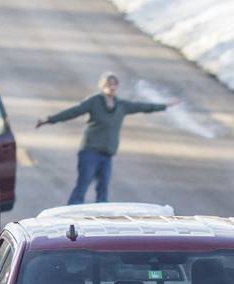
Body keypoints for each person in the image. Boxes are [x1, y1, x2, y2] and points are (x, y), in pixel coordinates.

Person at [35, 72, 179, 204]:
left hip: (107, 154)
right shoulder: (94, 102)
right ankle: (70, 216)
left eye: (114, 84)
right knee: (83, 184)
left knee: (103, 188)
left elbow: (143, 107)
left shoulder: (121, 105)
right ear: (102, 86)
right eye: (108, 84)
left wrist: (165, 106)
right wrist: (48, 119)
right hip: (90, 151)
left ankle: (102, 219)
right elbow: (73, 112)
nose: (111, 87)